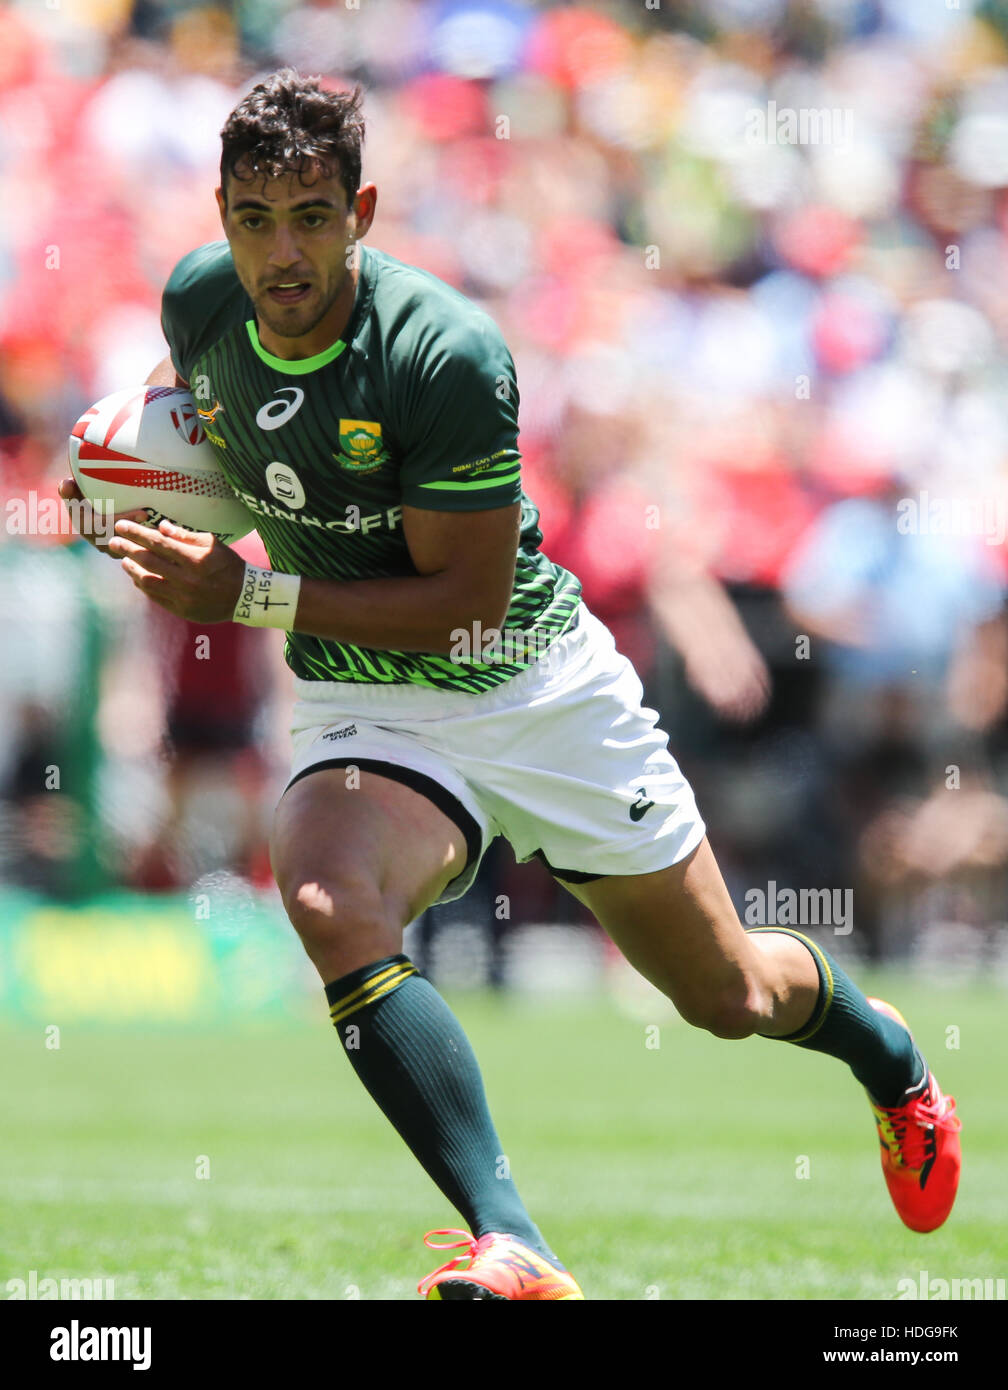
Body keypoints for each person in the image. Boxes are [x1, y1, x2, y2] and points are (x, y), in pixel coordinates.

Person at [61, 70, 961, 1301]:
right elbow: (248, 440)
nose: (283, 252)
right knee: (326, 894)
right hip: (367, 701)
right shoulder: (197, 305)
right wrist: (128, 481)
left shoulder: (447, 355)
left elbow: (463, 604)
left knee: (728, 992)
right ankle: (514, 1242)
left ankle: (891, 1056)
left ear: (362, 210)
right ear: (219, 214)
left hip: (530, 685)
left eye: (312, 217)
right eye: (256, 218)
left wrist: (248, 594)